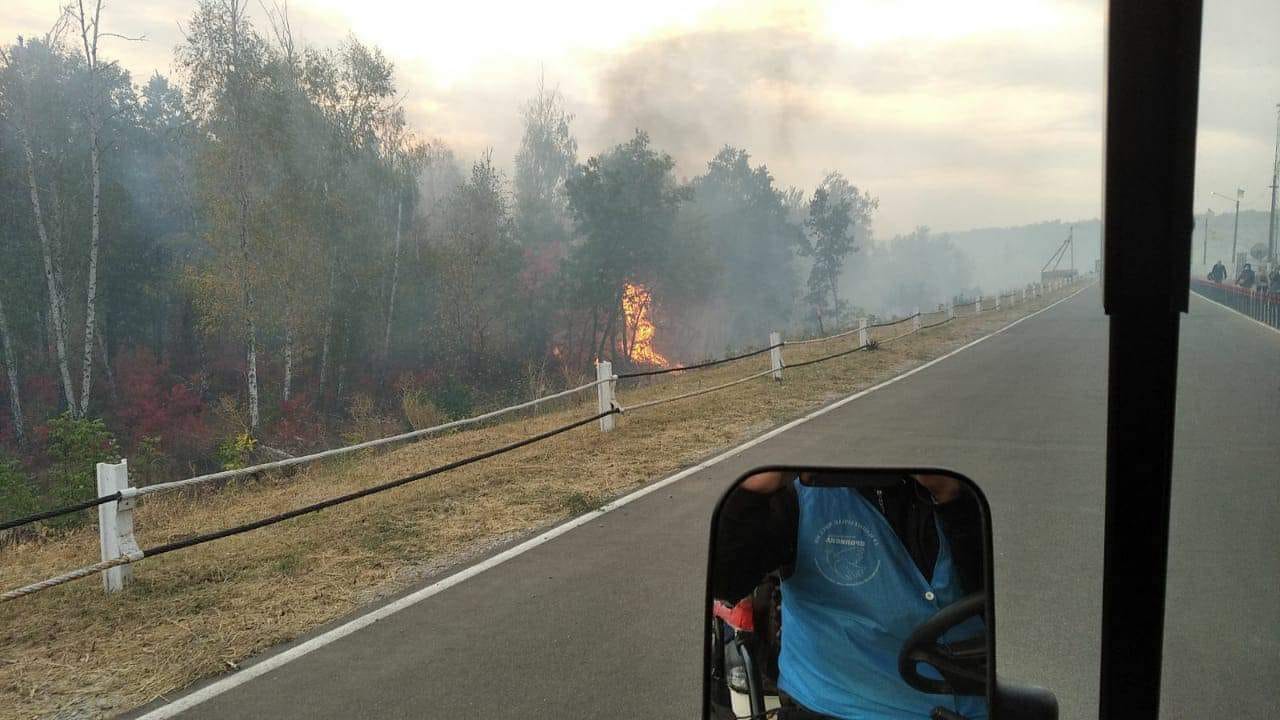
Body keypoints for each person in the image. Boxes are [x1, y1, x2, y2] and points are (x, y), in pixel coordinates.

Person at [714, 471, 986, 720]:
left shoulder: (970, 486)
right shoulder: (799, 493)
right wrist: (752, 492)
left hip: (978, 698)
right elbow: (726, 582)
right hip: (832, 706)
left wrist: (952, 499)